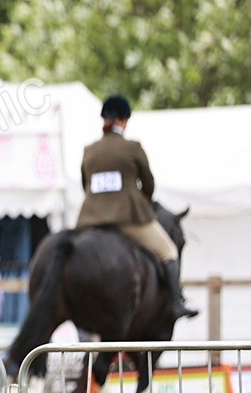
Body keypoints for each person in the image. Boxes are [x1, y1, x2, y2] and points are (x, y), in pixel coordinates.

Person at [76, 94, 198, 319]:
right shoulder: (132, 147)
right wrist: (142, 202)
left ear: (103, 119)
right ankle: (175, 303)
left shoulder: (89, 150)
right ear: (124, 120)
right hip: (128, 218)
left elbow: (86, 185)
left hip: (91, 220)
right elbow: (149, 184)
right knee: (168, 250)